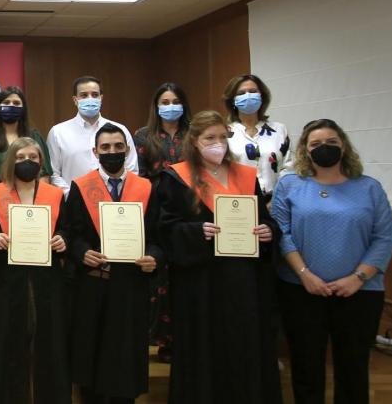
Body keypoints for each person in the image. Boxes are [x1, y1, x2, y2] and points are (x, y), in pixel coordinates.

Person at [157, 110, 282, 404]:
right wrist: (196, 231)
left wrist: (268, 231)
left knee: (244, 343)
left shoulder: (246, 176)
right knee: (205, 347)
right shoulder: (176, 178)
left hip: (243, 281)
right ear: (195, 141)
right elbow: (165, 228)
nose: (218, 144)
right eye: (209, 138)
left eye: (222, 137)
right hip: (200, 282)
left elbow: (266, 220)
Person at [272, 119, 392, 404]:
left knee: (353, 368)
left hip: (360, 293)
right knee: (305, 366)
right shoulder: (290, 185)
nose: (323, 148)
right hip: (300, 290)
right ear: (304, 149)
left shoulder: (369, 188)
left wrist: (357, 278)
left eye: (331, 143)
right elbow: (283, 234)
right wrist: (305, 274)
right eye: (315, 144)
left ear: (344, 147)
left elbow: (384, 237)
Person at [67, 123, 163, 404]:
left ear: (127, 150)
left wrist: (154, 258)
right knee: (91, 364)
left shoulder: (144, 188)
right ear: (95, 152)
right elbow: (70, 234)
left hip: (130, 287)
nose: (112, 152)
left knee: (125, 363)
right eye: (106, 148)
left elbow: (158, 236)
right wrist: (81, 252)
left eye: (118, 147)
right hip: (93, 285)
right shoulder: (81, 187)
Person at [0, 137, 70, 404]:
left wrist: (63, 238)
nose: (27, 162)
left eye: (32, 157)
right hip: (7, 281)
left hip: (47, 281)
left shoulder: (54, 195)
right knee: (6, 342)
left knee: (48, 342)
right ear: (10, 161)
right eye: (20, 158)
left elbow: (67, 229)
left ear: (41, 162)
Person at [132, 82, 191, 362]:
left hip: (187, 210)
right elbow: (139, 175)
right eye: (164, 101)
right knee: (159, 274)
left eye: (175, 100)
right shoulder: (143, 136)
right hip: (154, 208)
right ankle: (161, 338)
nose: (170, 106)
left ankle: (186, 337)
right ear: (156, 106)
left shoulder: (193, 135)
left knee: (185, 271)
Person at [47, 76, 137, 196]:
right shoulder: (58, 132)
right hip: (73, 204)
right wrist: (74, 197)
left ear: (101, 98)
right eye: (84, 95)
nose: (90, 99)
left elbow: (132, 170)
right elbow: (53, 174)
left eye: (95, 95)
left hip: (115, 203)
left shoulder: (120, 130)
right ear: (75, 100)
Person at [0, 86, 51, 192]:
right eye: (6, 102)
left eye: (16, 103)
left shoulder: (35, 136)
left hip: (31, 201)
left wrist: (35, 199)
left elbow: (44, 174)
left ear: (23, 109)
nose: (11, 106)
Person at [223, 74, 292, 198]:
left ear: (262, 97)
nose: (248, 95)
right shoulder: (224, 133)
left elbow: (289, 168)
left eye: (253, 91)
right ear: (233, 100)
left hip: (275, 201)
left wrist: (276, 199)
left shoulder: (279, 130)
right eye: (241, 93)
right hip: (237, 202)